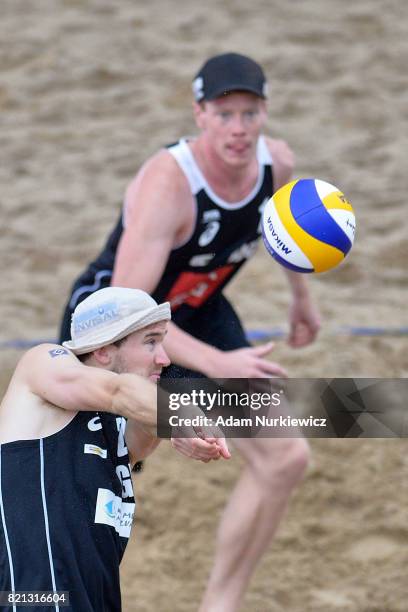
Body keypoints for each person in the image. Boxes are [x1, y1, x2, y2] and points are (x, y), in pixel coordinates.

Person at [59, 53, 320, 611]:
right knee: (99, 483)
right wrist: (221, 365)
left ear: (264, 113)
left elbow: (285, 234)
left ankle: (218, 605)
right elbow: (127, 312)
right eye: (224, 114)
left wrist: (302, 300)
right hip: (115, 329)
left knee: (285, 458)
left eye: (249, 113)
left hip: (197, 311)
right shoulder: (168, 184)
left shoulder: (276, 167)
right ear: (199, 114)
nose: (238, 128)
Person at [0, 287, 229, 612]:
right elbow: (119, 391)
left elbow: (141, 421)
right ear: (105, 350)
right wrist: (180, 413)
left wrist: (175, 423)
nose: (164, 358)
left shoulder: (112, 428)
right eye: (151, 341)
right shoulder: (44, 366)